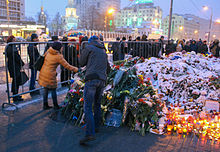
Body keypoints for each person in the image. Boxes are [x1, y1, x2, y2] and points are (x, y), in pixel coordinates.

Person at [79, 36, 110, 144]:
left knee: (87, 106)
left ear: (90, 41)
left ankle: (89, 134)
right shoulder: (103, 50)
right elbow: (108, 68)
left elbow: (81, 62)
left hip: (91, 79)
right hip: (102, 80)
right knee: (97, 104)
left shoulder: (89, 47)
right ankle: (96, 127)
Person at [38, 42, 78, 110]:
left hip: (43, 71)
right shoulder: (58, 56)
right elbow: (67, 66)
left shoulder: (48, 51)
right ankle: (55, 105)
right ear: (58, 48)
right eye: (61, 47)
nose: (62, 48)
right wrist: (77, 69)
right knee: (53, 89)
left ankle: (45, 104)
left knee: (46, 89)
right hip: (50, 74)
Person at [6, 35, 25, 102]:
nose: (15, 41)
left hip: (14, 66)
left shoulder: (11, 47)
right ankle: (15, 96)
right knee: (16, 81)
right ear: (11, 40)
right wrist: (21, 63)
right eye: (14, 40)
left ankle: (15, 94)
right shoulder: (10, 47)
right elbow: (16, 56)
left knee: (16, 80)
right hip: (14, 66)